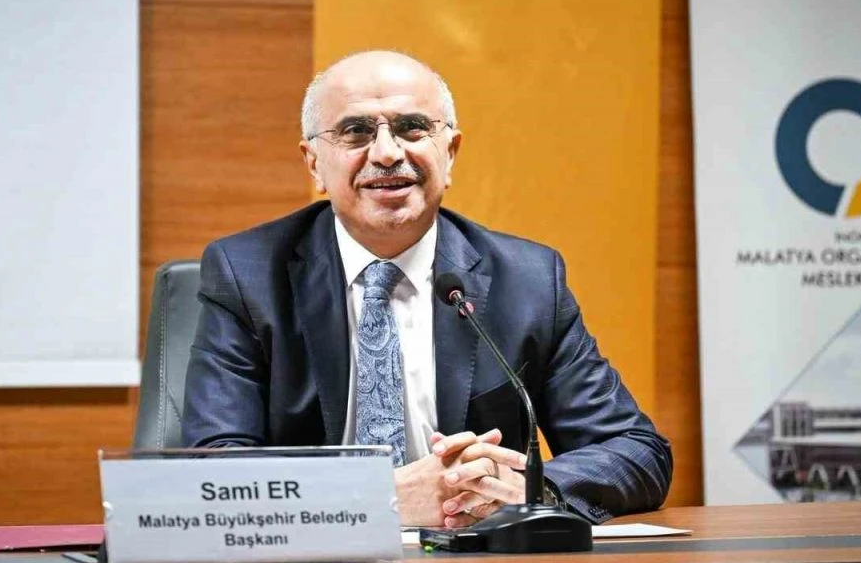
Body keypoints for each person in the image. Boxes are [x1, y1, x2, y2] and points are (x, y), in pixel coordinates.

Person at [182, 50, 671, 527]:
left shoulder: (528, 280)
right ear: (314, 164)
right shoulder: (248, 274)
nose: (387, 153)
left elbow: (637, 451)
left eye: (412, 128)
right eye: (356, 131)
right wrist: (377, 497)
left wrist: (527, 487)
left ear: (449, 153)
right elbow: (215, 468)